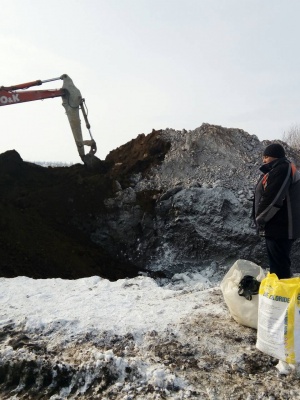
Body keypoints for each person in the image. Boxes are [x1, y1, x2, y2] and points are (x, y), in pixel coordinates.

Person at [253, 143, 300, 279]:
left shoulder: (283, 168)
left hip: (281, 227)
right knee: (278, 264)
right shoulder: (277, 170)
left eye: (266, 157)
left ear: (274, 157)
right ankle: (279, 294)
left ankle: (282, 297)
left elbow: (273, 198)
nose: (263, 160)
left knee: (279, 267)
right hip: (277, 226)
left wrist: (261, 219)